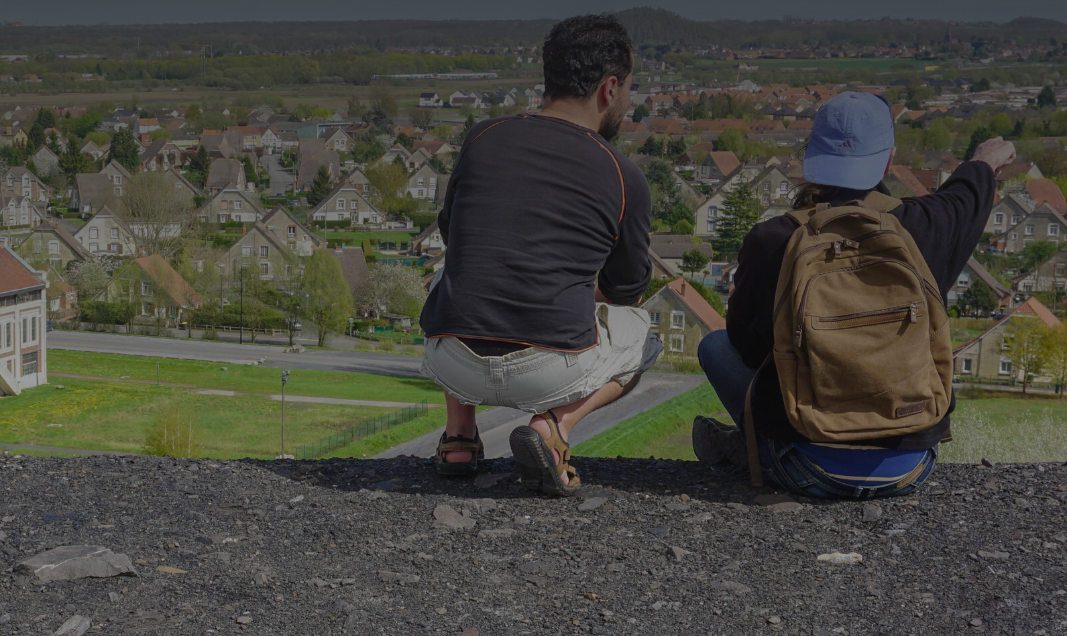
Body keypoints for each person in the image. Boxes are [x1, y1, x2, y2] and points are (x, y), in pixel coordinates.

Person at [693, 91, 1015, 500]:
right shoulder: (929, 226)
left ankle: (755, 446)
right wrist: (984, 161)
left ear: (813, 157)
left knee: (716, 346)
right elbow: (966, 192)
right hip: (909, 467)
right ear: (889, 157)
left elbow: (747, 345)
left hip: (805, 465)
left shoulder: (772, 239)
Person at [417, 14, 656, 496]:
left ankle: (459, 437)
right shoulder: (622, 173)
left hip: (451, 359)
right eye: (629, 90)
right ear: (610, 88)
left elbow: (453, 237)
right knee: (645, 334)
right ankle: (554, 428)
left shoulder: (482, 139)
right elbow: (626, 291)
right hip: (552, 369)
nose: (627, 103)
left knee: (454, 274)